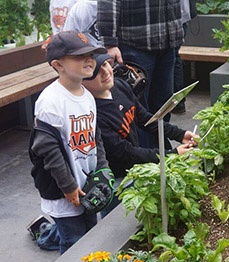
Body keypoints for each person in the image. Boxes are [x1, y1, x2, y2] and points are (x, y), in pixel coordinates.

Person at [81, 53, 198, 216]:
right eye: (96, 72)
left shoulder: (120, 86)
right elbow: (126, 152)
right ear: (82, 80)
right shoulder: (94, 115)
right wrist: (172, 154)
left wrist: (180, 134)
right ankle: (46, 231)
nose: (106, 72)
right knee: (114, 223)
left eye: (106, 64)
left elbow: (144, 118)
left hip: (132, 170)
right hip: (113, 179)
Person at [27, 30, 109, 254]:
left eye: (91, 54)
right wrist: (68, 186)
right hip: (63, 189)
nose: (89, 60)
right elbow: (47, 149)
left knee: (89, 233)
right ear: (58, 64)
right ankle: (47, 235)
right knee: (74, 242)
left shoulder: (88, 95)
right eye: (79, 56)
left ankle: (44, 233)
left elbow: (95, 135)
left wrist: (102, 167)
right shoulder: (50, 101)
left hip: (87, 184)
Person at [97, 0, 184, 148]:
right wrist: (110, 43)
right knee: (137, 109)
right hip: (136, 44)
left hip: (168, 43)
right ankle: (144, 159)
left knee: (164, 104)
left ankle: (161, 149)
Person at [172, 0, 197, 114]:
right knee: (175, 58)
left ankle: (177, 103)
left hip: (176, 18)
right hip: (181, 17)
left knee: (174, 58)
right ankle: (178, 103)